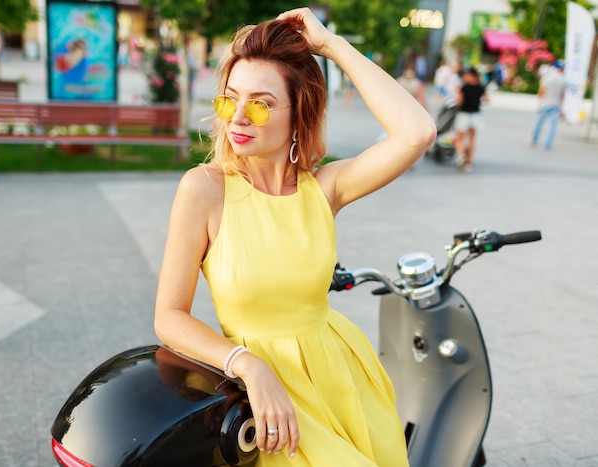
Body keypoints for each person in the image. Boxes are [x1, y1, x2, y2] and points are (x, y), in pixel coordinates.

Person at [154, 7, 435, 466]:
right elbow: (169, 316)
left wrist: (332, 46)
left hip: (344, 382)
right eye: (229, 99)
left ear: (298, 111)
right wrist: (246, 363)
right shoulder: (204, 190)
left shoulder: (324, 188)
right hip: (268, 400)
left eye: (260, 103)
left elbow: (416, 132)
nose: (238, 117)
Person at [454, 67, 487, 172]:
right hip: (476, 116)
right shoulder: (481, 87)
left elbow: (458, 102)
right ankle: (469, 162)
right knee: (472, 139)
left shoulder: (463, 88)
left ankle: (461, 157)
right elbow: (486, 100)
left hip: (464, 115)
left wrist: (457, 92)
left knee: (460, 138)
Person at [528, 60, 565, 150]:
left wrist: (538, 104)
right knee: (552, 126)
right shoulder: (563, 80)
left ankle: (534, 140)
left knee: (539, 123)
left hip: (545, 103)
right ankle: (548, 144)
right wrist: (561, 107)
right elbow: (563, 95)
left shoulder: (547, 78)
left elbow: (541, 92)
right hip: (555, 104)